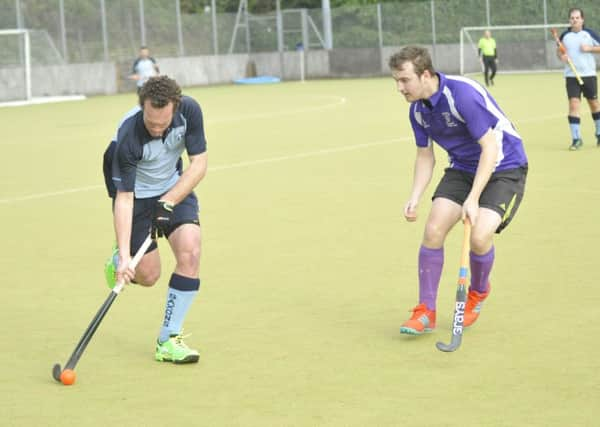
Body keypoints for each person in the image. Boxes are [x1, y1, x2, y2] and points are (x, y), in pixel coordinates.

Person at [388, 46, 528, 336]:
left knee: (479, 235)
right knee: (433, 230)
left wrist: (473, 199)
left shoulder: (462, 94)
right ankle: (426, 310)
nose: (399, 88)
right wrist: (415, 196)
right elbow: (425, 156)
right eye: (396, 81)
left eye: (404, 80)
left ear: (425, 74)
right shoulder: (418, 112)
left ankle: (477, 292)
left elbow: (490, 147)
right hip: (462, 168)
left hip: (504, 166)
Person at [102, 75, 208, 363]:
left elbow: (199, 164)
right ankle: (117, 259)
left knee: (191, 250)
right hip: (136, 197)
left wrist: (170, 200)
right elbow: (123, 198)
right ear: (142, 108)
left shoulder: (190, 112)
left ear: (175, 107)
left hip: (173, 189)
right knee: (148, 276)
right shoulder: (128, 135)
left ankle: (168, 339)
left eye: (164, 123)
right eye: (151, 123)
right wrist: (125, 257)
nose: (158, 130)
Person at [556, 8, 600, 150]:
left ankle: (599, 133)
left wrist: (589, 49)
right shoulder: (565, 35)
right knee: (574, 104)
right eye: (572, 18)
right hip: (571, 76)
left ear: (582, 19)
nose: (574, 20)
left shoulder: (589, 34)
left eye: (577, 18)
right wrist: (561, 56)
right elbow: (560, 50)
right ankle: (576, 139)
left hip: (588, 75)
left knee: (594, 104)